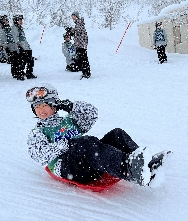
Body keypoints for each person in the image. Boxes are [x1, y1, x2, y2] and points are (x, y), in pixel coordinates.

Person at [26, 84, 167, 186]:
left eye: (44, 105)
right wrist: (67, 144)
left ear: (54, 105)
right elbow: (38, 155)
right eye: (37, 107)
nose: (40, 110)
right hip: (69, 168)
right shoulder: (38, 131)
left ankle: (144, 164)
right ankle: (130, 170)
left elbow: (92, 114)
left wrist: (71, 107)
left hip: (88, 161)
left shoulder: (68, 120)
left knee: (116, 134)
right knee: (86, 142)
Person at [66, 11, 91, 79]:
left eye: (73, 16)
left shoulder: (79, 23)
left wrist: (71, 31)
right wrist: (71, 31)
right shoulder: (78, 23)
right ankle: (84, 72)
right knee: (82, 59)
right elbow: (77, 32)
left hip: (81, 45)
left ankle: (86, 73)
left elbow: (78, 31)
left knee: (83, 59)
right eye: (72, 16)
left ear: (76, 16)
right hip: (79, 44)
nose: (72, 18)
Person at [0, 15, 24, 80]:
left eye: (7, 20)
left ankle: (18, 72)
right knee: (14, 61)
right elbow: (3, 40)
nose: (7, 21)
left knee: (18, 60)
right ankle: (15, 73)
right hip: (9, 47)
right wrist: (6, 47)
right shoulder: (2, 30)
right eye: (5, 20)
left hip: (14, 46)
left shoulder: (10, 28)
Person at [12, 14, 37, 79]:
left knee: (30, 60)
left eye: (21, 20)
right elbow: (15, 38)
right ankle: (19, 74)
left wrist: (27, 46)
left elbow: (23, 38)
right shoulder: (14, 28)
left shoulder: (20, 28)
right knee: (21, 61)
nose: (21, 21)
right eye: (19, 20)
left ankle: (29, 73)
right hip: (21, 47)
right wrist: (19, 46)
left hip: (26, 46)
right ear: (16, 21)